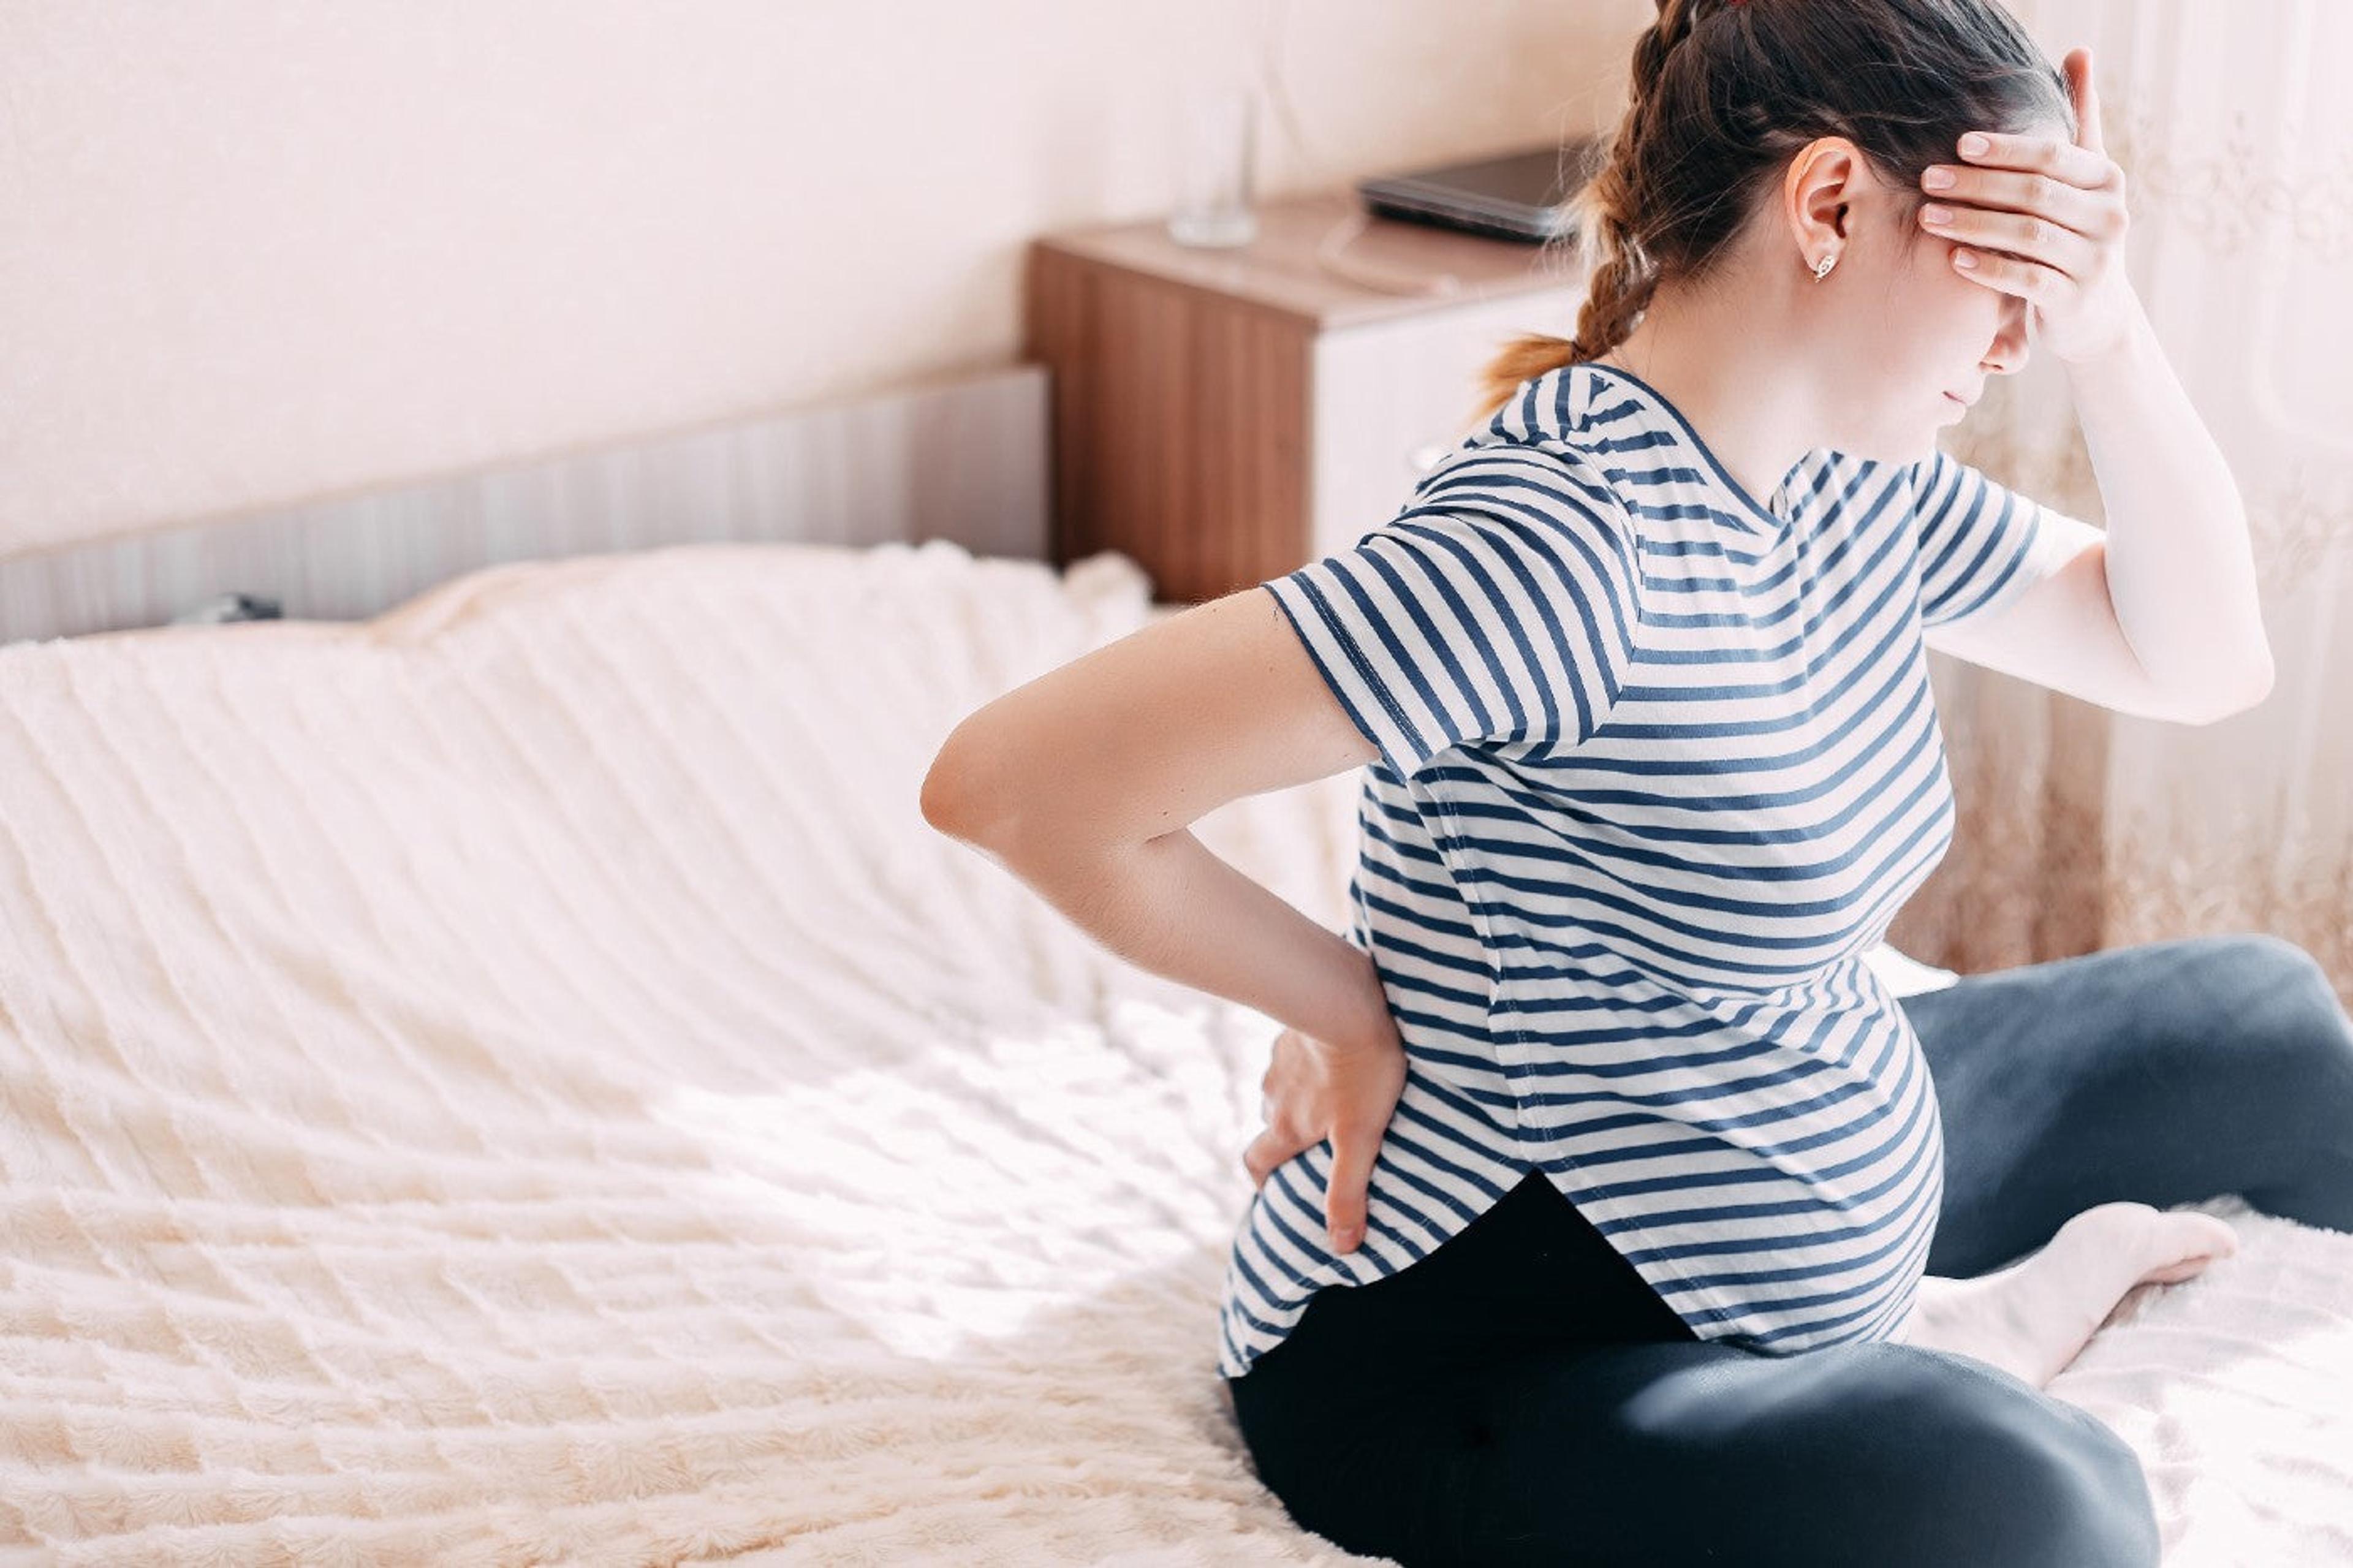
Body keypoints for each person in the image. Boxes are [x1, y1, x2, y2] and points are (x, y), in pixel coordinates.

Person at [920, 1, 2348, 1562]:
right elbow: (1013, 783)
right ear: (1828, 206)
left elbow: (2205, 661)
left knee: (2268, 1017)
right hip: (1494, 1341)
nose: (2022, 341)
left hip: (1778, 1137)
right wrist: (1346, 1005)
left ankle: (1915, 1327)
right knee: (2053, 1508)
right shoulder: (1556, 550)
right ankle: (1932, 1361)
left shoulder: (1854, 476)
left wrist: (2113, 331)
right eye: (2009, 274)